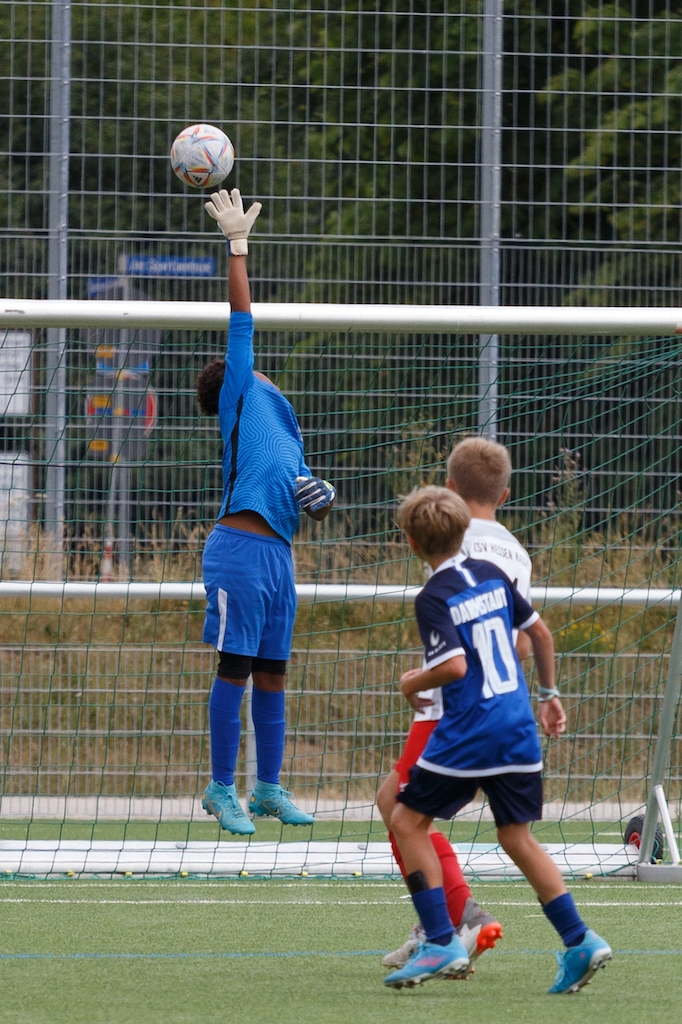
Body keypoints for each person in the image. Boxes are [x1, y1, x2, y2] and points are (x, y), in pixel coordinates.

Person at [384, 486, 611, 992]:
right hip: (517, 724)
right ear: (464, 529)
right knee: (516, 836)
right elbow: (541, 635)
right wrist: (549, 695)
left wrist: (410, 683)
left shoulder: (433, 597)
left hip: (471, 730)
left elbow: (454, 666)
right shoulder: (492, 573)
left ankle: (440, 940)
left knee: (405, 820)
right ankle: (580, 940)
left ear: (412, 543)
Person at [196, 188, 335, 835]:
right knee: (235, 669)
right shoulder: (241, 392)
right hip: (239, 551)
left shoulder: (284, 421)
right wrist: (237, 246)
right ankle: (221, 788)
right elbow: (241, 317)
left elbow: (299, 488)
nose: (258, 369)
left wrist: (320, 496)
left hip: (279, 555)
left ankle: (268, 789)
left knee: (274, 673)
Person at [377, 437, 531, 973]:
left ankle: (450, 919)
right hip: (505, 706)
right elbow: (522, 641)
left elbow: (455, 641)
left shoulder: (459, 547)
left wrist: (423, 678)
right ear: (504, 494)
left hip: (451, 705)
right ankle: (448, 919)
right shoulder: (515, 551)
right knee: (407, 809)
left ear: (449, 489)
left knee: (399, 809)